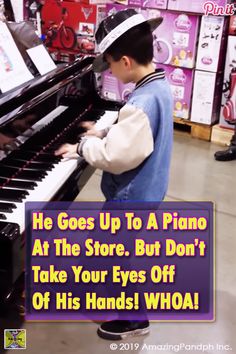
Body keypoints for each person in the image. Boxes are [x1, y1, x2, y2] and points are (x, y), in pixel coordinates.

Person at [55, 8, 173, 340]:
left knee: (119, 260)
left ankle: (134, 320)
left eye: (108, 64)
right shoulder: (159, 86)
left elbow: (115, 158)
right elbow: (138, 138)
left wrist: (81, 148)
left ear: (123, 61)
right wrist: (107, 130)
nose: (109, 71)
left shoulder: (140, 104)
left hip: (129, 200)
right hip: (148, 192)